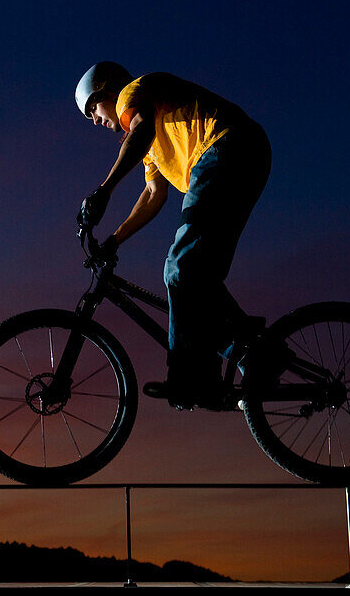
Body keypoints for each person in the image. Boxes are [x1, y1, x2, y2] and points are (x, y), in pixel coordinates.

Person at [75, 62, 271, 410]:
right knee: (194, 276)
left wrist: (104, 191)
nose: (94, 120)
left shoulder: (133, 93)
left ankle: (191, 375)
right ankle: (256, 355)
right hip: (241, 153)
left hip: (225, 148)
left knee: (179, 269)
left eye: (92, 108)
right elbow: (153, 194)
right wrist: (115, 239)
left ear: (107, 90)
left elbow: (140, 132)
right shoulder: (146, 139)